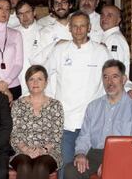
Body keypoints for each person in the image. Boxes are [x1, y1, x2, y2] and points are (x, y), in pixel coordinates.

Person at [43, 11, 111, 179]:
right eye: (75, 26)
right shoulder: (59, 50)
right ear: (70, 29)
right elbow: (43, 75)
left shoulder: (101, 52)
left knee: (84, 170)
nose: (78, 30)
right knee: (65, 170)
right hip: (65, 123)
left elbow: (113, 77)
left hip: (92, 124)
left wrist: (130, 89)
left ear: (89, 28)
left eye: (82, 26)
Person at [64, 60, 132, 179]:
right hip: (95, 154)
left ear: (123, 79)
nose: (109, 82)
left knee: (112, 174)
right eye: (105, 77)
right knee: (70, 170)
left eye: (115, 77)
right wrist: (80, 154)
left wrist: (113, 163)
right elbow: (84, 136)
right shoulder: (93, 106)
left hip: (124, 155)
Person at [10, 65, 63, 179]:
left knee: (41, 166)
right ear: (27, 82)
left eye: (39, 79)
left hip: (49, 152)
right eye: (31, 79)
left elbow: (57, 135)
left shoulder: (55, 105)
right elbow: (14, 133)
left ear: (46, 82)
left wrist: (42, 150)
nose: (35, 82)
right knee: (24, 165)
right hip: (21, 151)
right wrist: (26, 150)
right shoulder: (18, 104)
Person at [14, 1, 42, 95]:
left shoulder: (44, 31)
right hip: (17, 81)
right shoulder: (12, 33)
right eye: (21, 14)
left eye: (27, 12)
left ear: (34, 13)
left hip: (38, 81)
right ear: (17, 16)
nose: (24, 17)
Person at [100, 5, 130, 76]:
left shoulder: (115, 39)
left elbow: (115, 68)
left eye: (109, 15)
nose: (104, 18)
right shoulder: (107, 36)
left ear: (118, 20)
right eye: (102, 15)